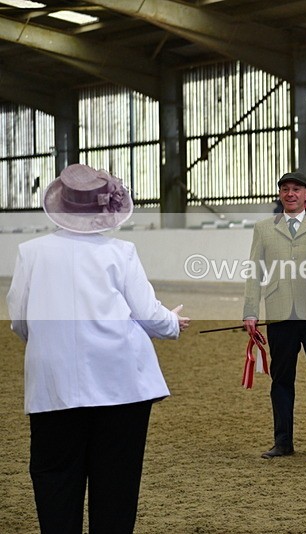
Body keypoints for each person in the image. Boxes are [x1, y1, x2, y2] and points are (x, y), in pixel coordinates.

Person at [6, 163, 190, 534]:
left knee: (55, 479)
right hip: (119, 385)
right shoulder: (121, 252)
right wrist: (171, 323)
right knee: (116, 483)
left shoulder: (31, 252)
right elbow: (146, 312)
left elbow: (20, 320)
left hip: (53, 386)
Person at [242, 171, 306, 463]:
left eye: (296, 189)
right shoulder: (263, 228)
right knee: (281, 380)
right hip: (280, 313)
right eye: (285, 188)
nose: (290, 193)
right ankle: (282, 441)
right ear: (280, 194)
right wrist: (250, 310)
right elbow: (255, 272)